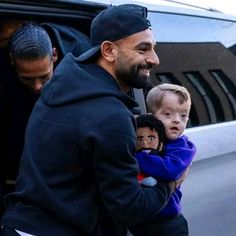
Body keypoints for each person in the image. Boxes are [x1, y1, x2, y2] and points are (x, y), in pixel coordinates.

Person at [1, 4, 186, 236]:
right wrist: (171, 183)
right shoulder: (111, 116)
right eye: (143, 49)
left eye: (154, 48)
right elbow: (131, 208)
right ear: (108, 51)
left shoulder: (56, 90)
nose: (155, 59)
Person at [0, 22, 58, 217]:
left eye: (44, 77)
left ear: (55, 56)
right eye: (27, 78)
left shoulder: (81, 76)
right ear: (12, 61)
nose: (37, 87)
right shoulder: (6, 87)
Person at [130, 83, 197, 236]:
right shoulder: (143, 140)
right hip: (141, 219)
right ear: (151, 117)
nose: (176, 120)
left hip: (167, 222)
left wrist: (138, 157)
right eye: (168, 114)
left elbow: (169, 170)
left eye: (183, 115)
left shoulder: (183, 147)